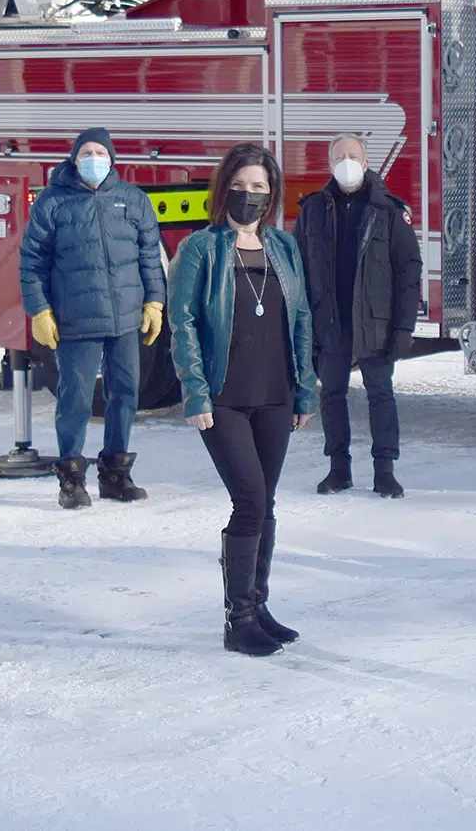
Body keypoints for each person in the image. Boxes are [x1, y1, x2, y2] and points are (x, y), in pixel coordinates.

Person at [170, 143, 319, 657]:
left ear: (271, 194)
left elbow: (300, 319)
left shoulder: (282, 247)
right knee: (250, 500)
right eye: (240, 186)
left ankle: (257, 605)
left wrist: (305, 387)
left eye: (259, 188)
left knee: (266, 503)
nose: (249, 196)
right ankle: (238, 620)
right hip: (224, 397)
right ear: (223, 188)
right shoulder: (201, 249)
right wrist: (195, 391)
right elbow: (183, 322)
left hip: (276, 395)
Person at [18, 127, 166, 509]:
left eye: (101, 151)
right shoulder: (53, 202)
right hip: (76, 321)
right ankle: (71, 480)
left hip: (125, 320)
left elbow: (150, 256)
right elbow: (32, 261)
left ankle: (116, 475)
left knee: (125, 395)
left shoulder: (133, 200)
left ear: (113, 158)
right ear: (73, 158)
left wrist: (154, 303)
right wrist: (39, 309)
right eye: (86, 152)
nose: (94, 159)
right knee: (76, 400)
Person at [295, 133, 421, 498]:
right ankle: (339, 469)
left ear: (366, 164)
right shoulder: (313, 210)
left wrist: (403, 328)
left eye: (353, 155)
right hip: (330, 321)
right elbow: (298, 270)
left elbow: (408, 271)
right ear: (330, 165)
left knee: (380, 394)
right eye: (340, 157)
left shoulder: (389, 212)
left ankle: (385, 470)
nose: (346, 162)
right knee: (331, 395)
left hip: (375, 322)